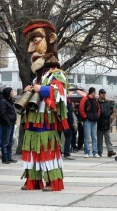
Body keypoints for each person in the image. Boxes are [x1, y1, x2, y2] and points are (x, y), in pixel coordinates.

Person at [21, 19, 69, 191]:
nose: (30, 50)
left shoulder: (57, 74)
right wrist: (29, 90)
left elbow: (60, 93)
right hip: (33, 120)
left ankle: (52, 182)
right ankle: (32, 181)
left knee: (48, 150)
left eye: (35, 41)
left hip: (47, 122)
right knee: (32, 150)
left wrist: (42, 89)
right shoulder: (36, 78)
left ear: (51, 39)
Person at [79, 87, 100, 158]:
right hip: (88, 120)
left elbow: (98, 109)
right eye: (95, 92)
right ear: (93, 92)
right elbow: (81, 109)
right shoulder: (86, 99)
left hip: (92, 119)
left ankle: (93, 152)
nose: (96, 93)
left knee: (93, 137)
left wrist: (97, 115)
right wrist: (85, 117)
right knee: (89, 137)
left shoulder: (94, 100)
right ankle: (89, 152)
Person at [0, 87, 18, 164]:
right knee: (5, 141)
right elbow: (2, 113)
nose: (13, 92)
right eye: (11, 91)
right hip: (7, 124)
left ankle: (9, 157)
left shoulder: (10, 101)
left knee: (10, 141)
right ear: (8, 92)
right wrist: (8, 121)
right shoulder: (3, 102)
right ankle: (4, 158)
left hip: (11, 123)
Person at [97, 89, 116, 157]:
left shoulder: (108, 102)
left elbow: (111, 110)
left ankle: (110, 151)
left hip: (106, 123)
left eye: (104, 93)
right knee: (99, 140)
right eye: (102, 93)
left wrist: (110, 112)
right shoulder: (97, 102)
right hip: (99, 123)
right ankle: (99, 152)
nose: (104, 94)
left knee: (108, 138)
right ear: (99, 94)